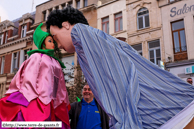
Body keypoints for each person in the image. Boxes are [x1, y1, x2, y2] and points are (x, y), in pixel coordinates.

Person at [46, 6, 194, 129]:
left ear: (66, 25)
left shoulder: (80, 32)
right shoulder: (86, 43)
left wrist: (127, 122)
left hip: (161, 112)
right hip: (168, 108)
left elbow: (120, 78)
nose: (58, 46)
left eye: (56, 37)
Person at [0, 23, 70, 129]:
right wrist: (31, 97)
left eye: (53, 41)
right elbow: (27, 77)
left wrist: (62, 101)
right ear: (43, 43)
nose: (53, 44)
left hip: (52, 101)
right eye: (50, 41)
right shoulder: (36, 57)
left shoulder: (56, 63)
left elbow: (60, 85)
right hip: (35, 98)